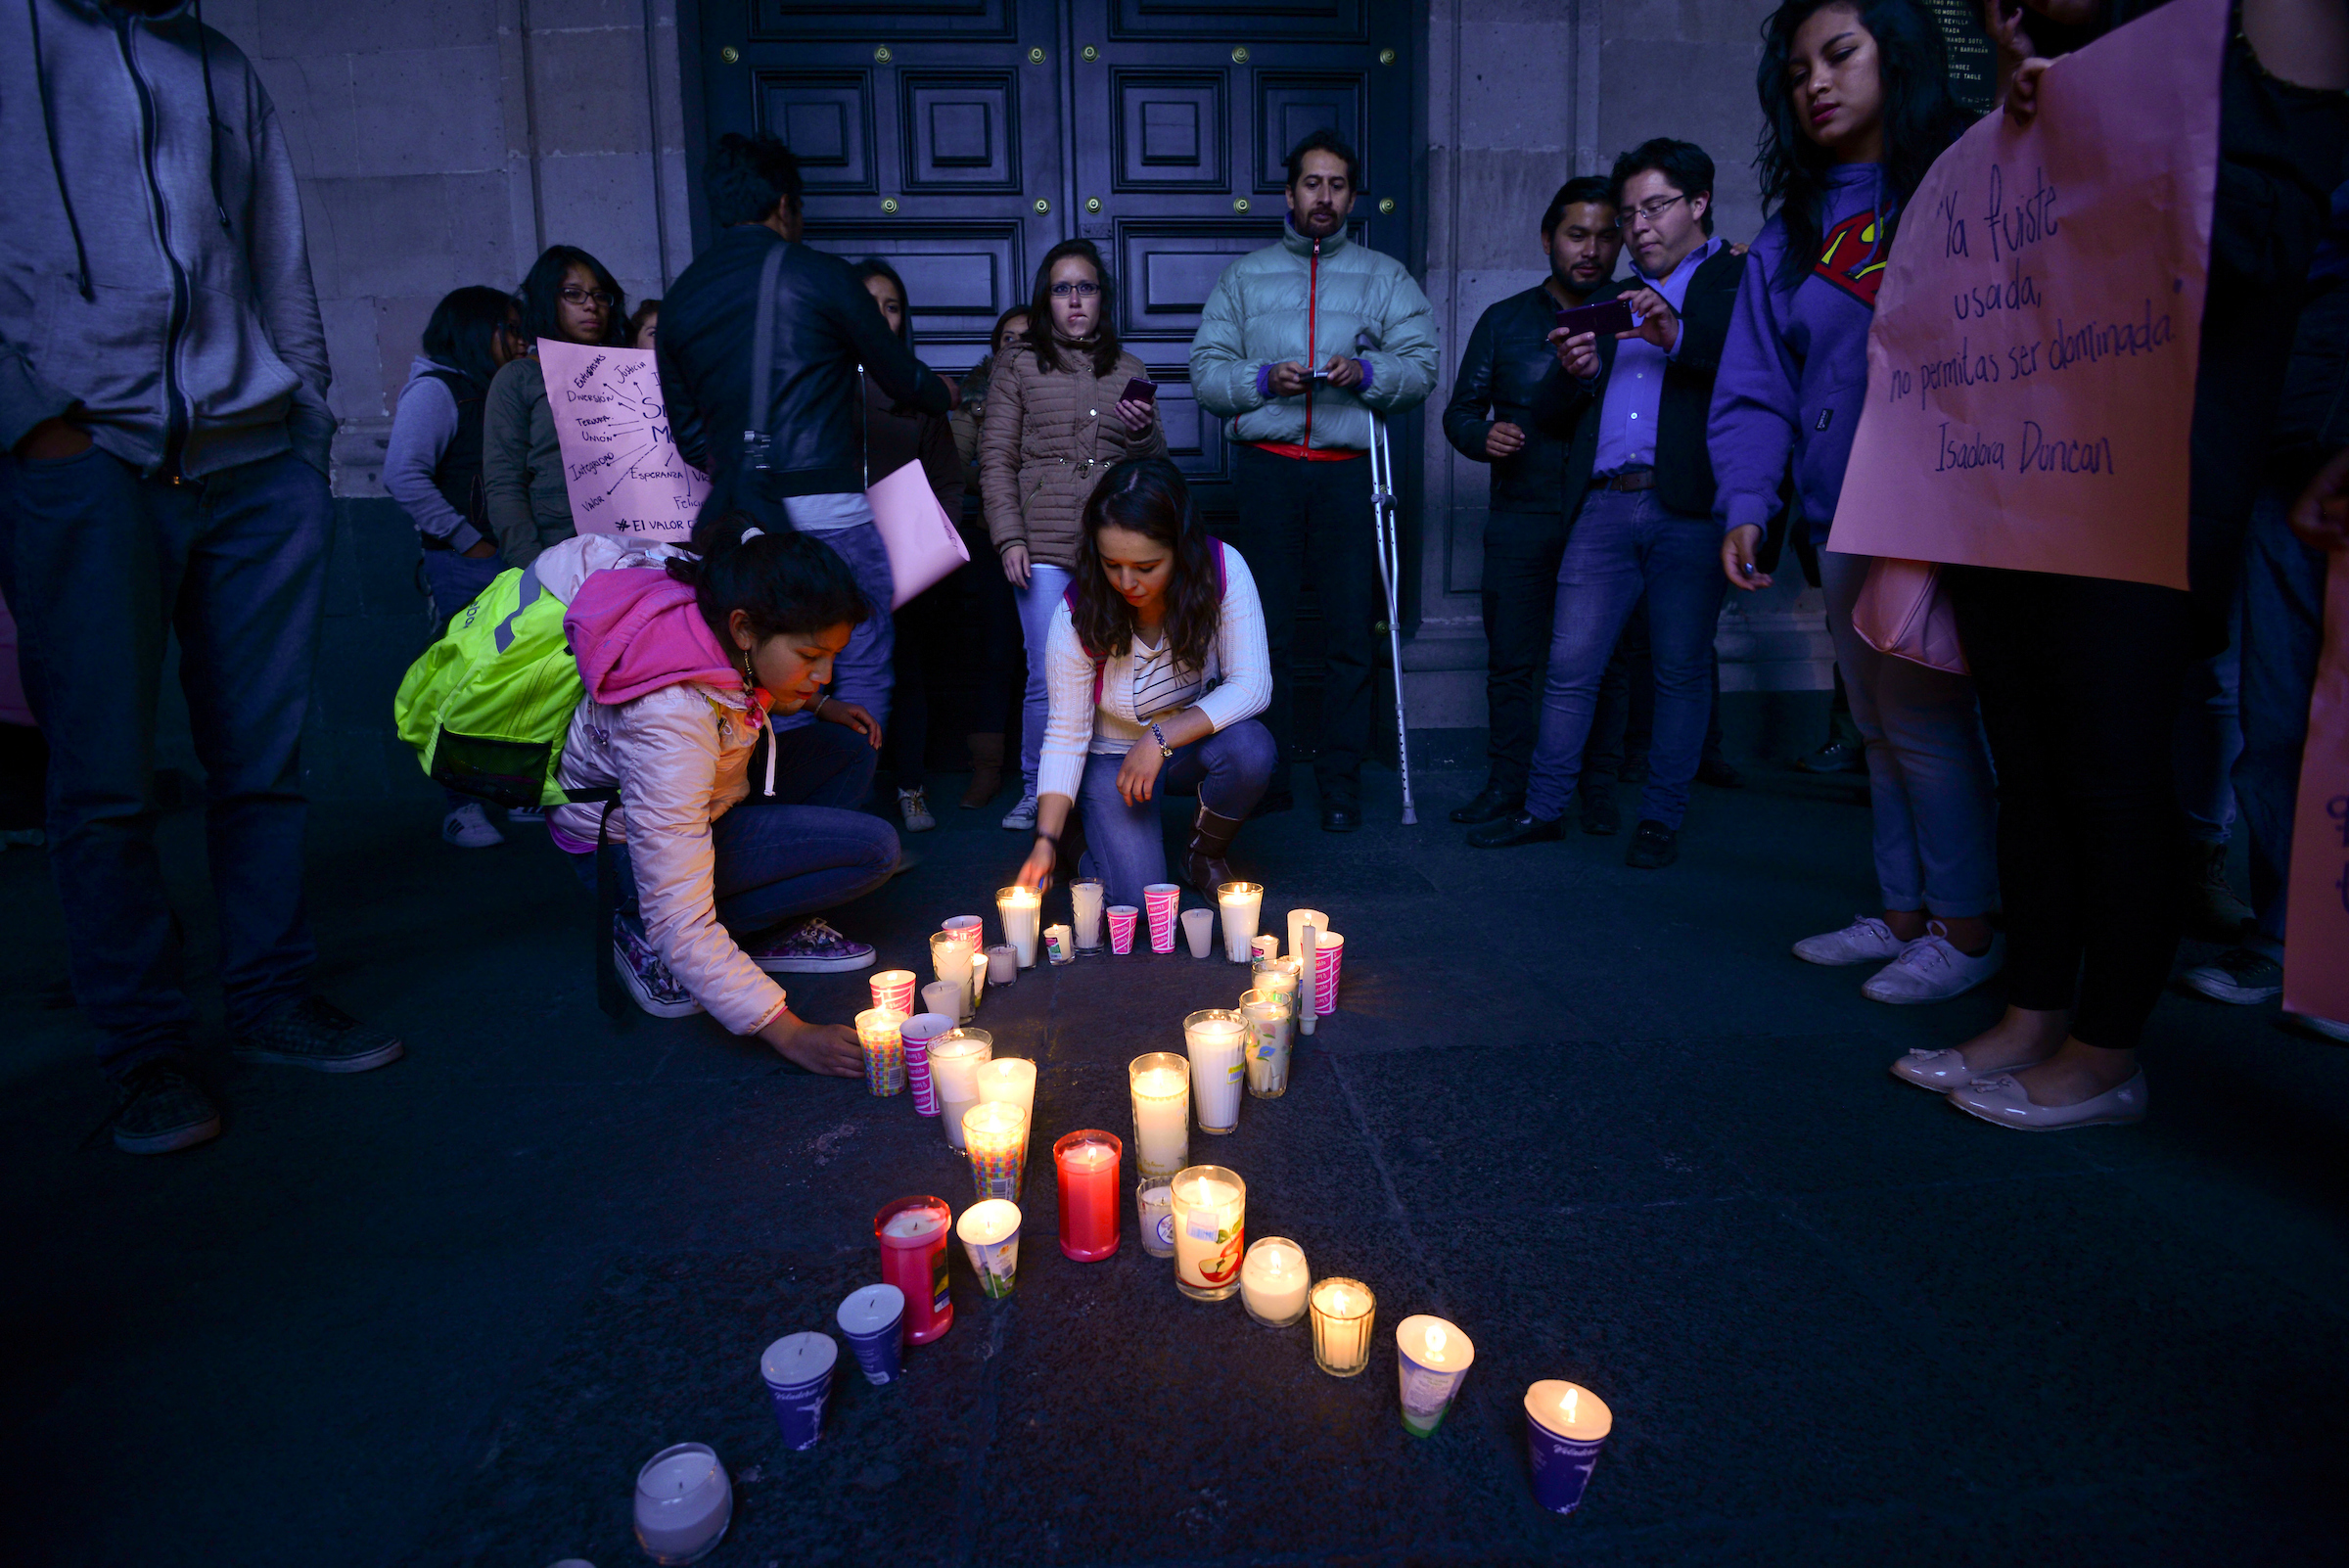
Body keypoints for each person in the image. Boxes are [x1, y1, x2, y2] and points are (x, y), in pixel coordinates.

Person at [1890, 0, 2344, 1128]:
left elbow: (2258, 245)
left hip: (2145, 470)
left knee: (2111, 765)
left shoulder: (2232, 58)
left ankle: (2108, 1046)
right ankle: (2036, 1009)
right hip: (2014, 478)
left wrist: (2090, 134)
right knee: (2029, 765)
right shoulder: (2020, 97)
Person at [0, 0, 402, 1155]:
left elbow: (280, 259)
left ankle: (272, 1000)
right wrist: (33, 423)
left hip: (257, 462)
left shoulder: (221, 66)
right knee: (103, 781)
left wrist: (308, 437)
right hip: (85, 459)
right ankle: (145, 1052)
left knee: (264, 764)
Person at [1713, 0, 2004, 1002]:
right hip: (1841, 516)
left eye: (1840, 56)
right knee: (1877, 724)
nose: (1817, 85)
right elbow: (1757, 384)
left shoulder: (1970, 175)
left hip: (1942, 509)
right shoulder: (1791, 231)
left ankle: (1969, 932)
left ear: (1901, 57)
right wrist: (1750, 498)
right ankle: (1903, 913)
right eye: (1797, 72)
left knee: (1927, 721)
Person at [1467, 140, 1747, 871]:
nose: (1639, 226)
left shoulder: (1737, 279)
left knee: (1679, 669)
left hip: (1689, 505)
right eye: (1629, 214)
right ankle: (1543, 807)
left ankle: (1660, 818)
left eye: (1654, 207)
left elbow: (1752, 376)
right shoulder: (1606, 300)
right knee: (1569, 666)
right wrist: (1570, 372)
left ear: (1698, 204)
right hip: (1602, 505)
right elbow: (1555, 414)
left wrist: (1674, 333)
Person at [549, 516, 898, 1067]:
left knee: (848, 753)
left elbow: (740, 687)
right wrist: (789, 1033)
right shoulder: (668, 719)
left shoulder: (708, 617)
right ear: (743, 630)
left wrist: (815, 703)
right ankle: (640, 936)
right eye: (810, 658)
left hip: (705, 800)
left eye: (832, 656)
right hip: (623, 861)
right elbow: (677, 918)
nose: (826, 674)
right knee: (872, 851)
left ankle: (746, 918)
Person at [659, 132, 954, 743]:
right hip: (830, 511)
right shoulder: (822, 276)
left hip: (741, 521)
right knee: (862, 657)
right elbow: (904, 380)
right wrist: (947, 392)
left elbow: (689, 439)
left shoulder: (682, 298)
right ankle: (844, 797)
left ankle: (776, 796)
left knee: (759, 668)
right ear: (786, 204)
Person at [1190, 129, 1441, 831]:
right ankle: (1263, 777)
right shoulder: (1245, 278)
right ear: (1290, 192)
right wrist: (1264, 378)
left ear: (1352, 197)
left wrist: (1371, 373)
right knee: (1259, 634)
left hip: (1347, 475)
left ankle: (1340, 783)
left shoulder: (1384, 277)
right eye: (1311, 183)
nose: (1323, 196)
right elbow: (1206, 374)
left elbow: (1421, 367)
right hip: (1269, 472)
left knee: (1345, 637)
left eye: (1336, 185)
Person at [1443, 177, 1627, 828]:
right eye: (1578, 234)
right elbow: (1459, 412)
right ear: (1549, 239)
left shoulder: (1631, 316)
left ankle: (1598, 789)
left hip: (1604, 515)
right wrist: (1480, 434)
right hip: (1520, 511)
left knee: (1606, 659)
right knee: (1513, 660)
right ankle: (1507, 784)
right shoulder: (1506, 319)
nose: (1592, 250)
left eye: (1607, 236)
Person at [1012, 460, 1274, 905]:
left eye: (1146, 566)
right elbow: (1066, 734)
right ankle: (1077, 834)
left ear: (1180, 550)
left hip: (1182, 745)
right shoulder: (1077, 612)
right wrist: (1045, 840)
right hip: (1111, 760)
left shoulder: (1222, 571)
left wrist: (1160, 737)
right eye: (1112, 564)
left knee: (1251, 747)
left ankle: (1202, 856)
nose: (1127, 582)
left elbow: (1253, 686)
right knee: (1138, 902)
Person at [981, 239, 1168, 832]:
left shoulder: (1129, 370)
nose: (1075, 300)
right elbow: (995, 458)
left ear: (1101, 298)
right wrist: (1009, 538)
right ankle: (1039, 791)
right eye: (1062, 289)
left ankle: (1108, 791)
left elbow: (1156, 469)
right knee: (1048, 673)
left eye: (1085, 287)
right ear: (1047, 300)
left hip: (1117, 550)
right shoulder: (1019, 365)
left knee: (1118, 668)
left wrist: (1139, 437)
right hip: (1043, 549)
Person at [385, 285, 523, 850]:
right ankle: (461, 807)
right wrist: (468, 541)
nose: (518, 341)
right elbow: (403, 475)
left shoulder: (488, 389)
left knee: (513, 683)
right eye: (507, 330)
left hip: (503, 557)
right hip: (464, 564)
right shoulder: (437, 391)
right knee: (463, 687)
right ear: (474, 332)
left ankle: (513, 792)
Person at [854, 259, 967, 834]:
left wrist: (933, 543)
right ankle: (844, 793)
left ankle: (911, 787)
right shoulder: (821, 383)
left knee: (905, 674)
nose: (881, 315)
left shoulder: (919, 390)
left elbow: (948, 479)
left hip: (906, 565)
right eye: (869, 303)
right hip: (834, 558)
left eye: (892, 305)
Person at [484, 245, 626, 569]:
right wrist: (529, 565)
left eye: (600, 296)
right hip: (559, 554)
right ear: (548, 300)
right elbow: (504, 482)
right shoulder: (519, 378)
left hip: (637, 550)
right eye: (573, 294)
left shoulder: (630, 373)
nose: (591, 305)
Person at [947, 305, 1034, 810]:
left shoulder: (1056, 392)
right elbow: (956, 473)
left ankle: (1047, 772)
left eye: (1027, 337)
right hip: (993, 543)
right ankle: (987, 768)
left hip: (1054, 543)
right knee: (995, 657)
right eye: (1008, 338)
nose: (1017, 346)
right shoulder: (974, 401)